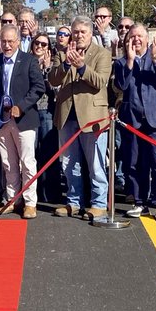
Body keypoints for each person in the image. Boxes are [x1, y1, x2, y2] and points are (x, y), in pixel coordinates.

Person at [49, 16, 113, 220]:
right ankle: (73, 201)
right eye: (75, 32)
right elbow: (53, 79)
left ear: (90, 34)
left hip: (92, 117)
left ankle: (99, 203)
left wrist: (83, 67)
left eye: (82, 32)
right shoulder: (62, 53)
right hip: (67, 115)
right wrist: (67, 64)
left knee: (95, 164)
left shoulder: (102, 54)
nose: (78, 36)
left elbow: (100, 81)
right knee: (69, 163)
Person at [0, 24, 45, 218]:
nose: (7, 45)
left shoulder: (29, 60)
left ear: (18, 41)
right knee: (8, 163)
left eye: (11, 41)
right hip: (1, 119)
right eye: (4, 41)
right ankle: (13, 199)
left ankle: (30, 203)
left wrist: (21, 106)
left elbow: (38, 87)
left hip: (24, 119)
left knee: (27, 162)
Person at [115, 23, 156, 222]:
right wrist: (130, 62)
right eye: (133, 36)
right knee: (134, 162)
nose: (137, 39)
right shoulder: (121, 62)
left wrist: (155, 57)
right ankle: (139, 201)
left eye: (140, 36)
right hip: (132, 119)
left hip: (155, 119)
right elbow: (121, 85)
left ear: (147, 39)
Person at [30, 31, 61, 202]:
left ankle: (50, 193)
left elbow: (56, 90)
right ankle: (32, 192)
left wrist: (48, 69)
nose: (40, 47)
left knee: (49, 152)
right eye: (37, 43)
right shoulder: (27, 61)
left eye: (44, 44)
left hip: (48, 111)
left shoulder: (53, 64)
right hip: (30, 111)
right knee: (32, 153)